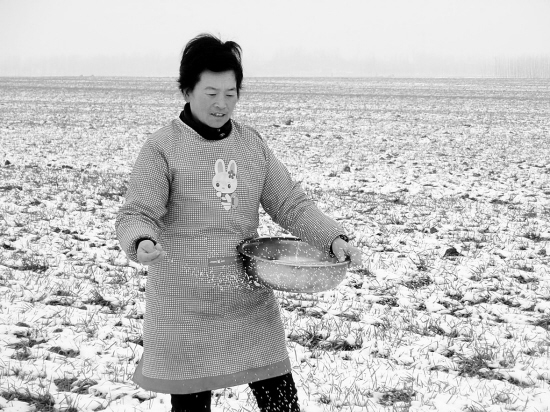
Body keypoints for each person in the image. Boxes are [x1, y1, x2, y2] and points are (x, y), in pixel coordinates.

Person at [115, 33, 362, 412]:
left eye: (230, 93)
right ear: (187, 90)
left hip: (246, 294)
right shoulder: (162, 148)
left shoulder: (251, 145)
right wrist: (141, 240)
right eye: (211, 93)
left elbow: (291, 203)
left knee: (282, 402)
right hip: (185, 300)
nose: (222, 103)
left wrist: (333, 239)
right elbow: (137, 212)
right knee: (192, 406)